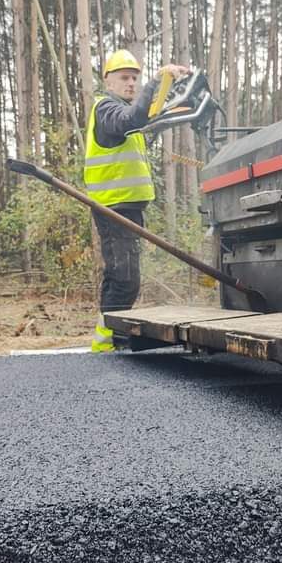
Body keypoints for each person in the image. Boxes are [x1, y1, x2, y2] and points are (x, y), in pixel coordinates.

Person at [85, 49, 189, 352]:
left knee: (120, 275)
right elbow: (134, 117)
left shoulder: (123, 116)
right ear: (108, 81)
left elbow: (143, 122)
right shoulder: (107, 109)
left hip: (127, 206)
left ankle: (108, 341)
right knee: (125, 279)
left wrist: (170, 100)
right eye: (124, 78)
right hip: (113, 207)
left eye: (135, 78)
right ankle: (111, 343)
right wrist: (157, 82)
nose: (131, 83)